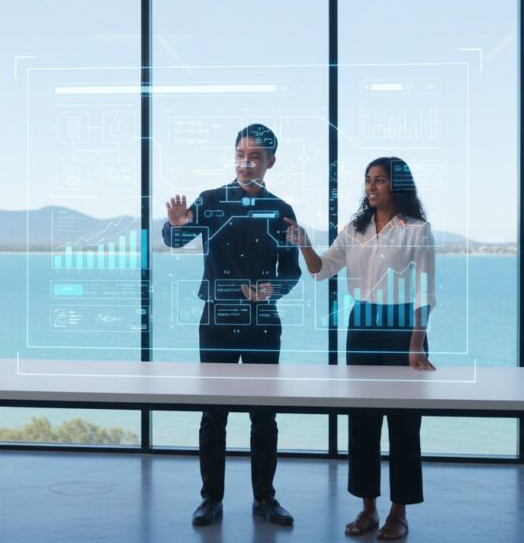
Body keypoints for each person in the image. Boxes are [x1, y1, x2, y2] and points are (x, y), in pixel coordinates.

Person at [284, 157, 436, 541]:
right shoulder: (354, 229)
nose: (371, 186)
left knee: (404, 425)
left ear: (397, 186)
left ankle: (399, 513)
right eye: (368, 180)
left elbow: (424, 291)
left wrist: (416, 344)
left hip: (404, 329)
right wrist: (304, 245)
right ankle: (368, 509)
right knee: (362, 422)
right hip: (362, 327)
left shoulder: (417, 230)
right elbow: (321, 270)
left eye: (380, 180)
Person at [163, 123, 302, 527]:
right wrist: (175, 224)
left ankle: (265, 499)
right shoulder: (210, 200)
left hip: (263, 322)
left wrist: (272, 290)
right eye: (241, 155)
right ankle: (210, 499)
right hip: (217, 321)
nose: (246, 162)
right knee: (213, 414)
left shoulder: (282, 210)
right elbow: (175, 238)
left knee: (265, 416)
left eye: (255, 156)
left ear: (271, 162)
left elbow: (291, 272)